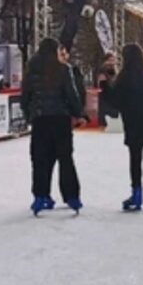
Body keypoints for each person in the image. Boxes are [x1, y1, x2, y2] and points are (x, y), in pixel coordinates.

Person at [21, 38, 88, 216]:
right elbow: (71, 94)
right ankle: (72, 196)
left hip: (40, 119)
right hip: (60, 120)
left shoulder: (31, 71)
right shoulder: (63, 69)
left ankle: (40, 196)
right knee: (65, 158)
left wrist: (30, 115)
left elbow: (24, 97)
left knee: (40, 159)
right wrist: (79, 113)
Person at [100, 43, 143, 212]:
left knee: (135, 159)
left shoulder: (125, 77)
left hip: (135, 123)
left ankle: (137, 196)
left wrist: (104, 84)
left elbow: (115, 101)